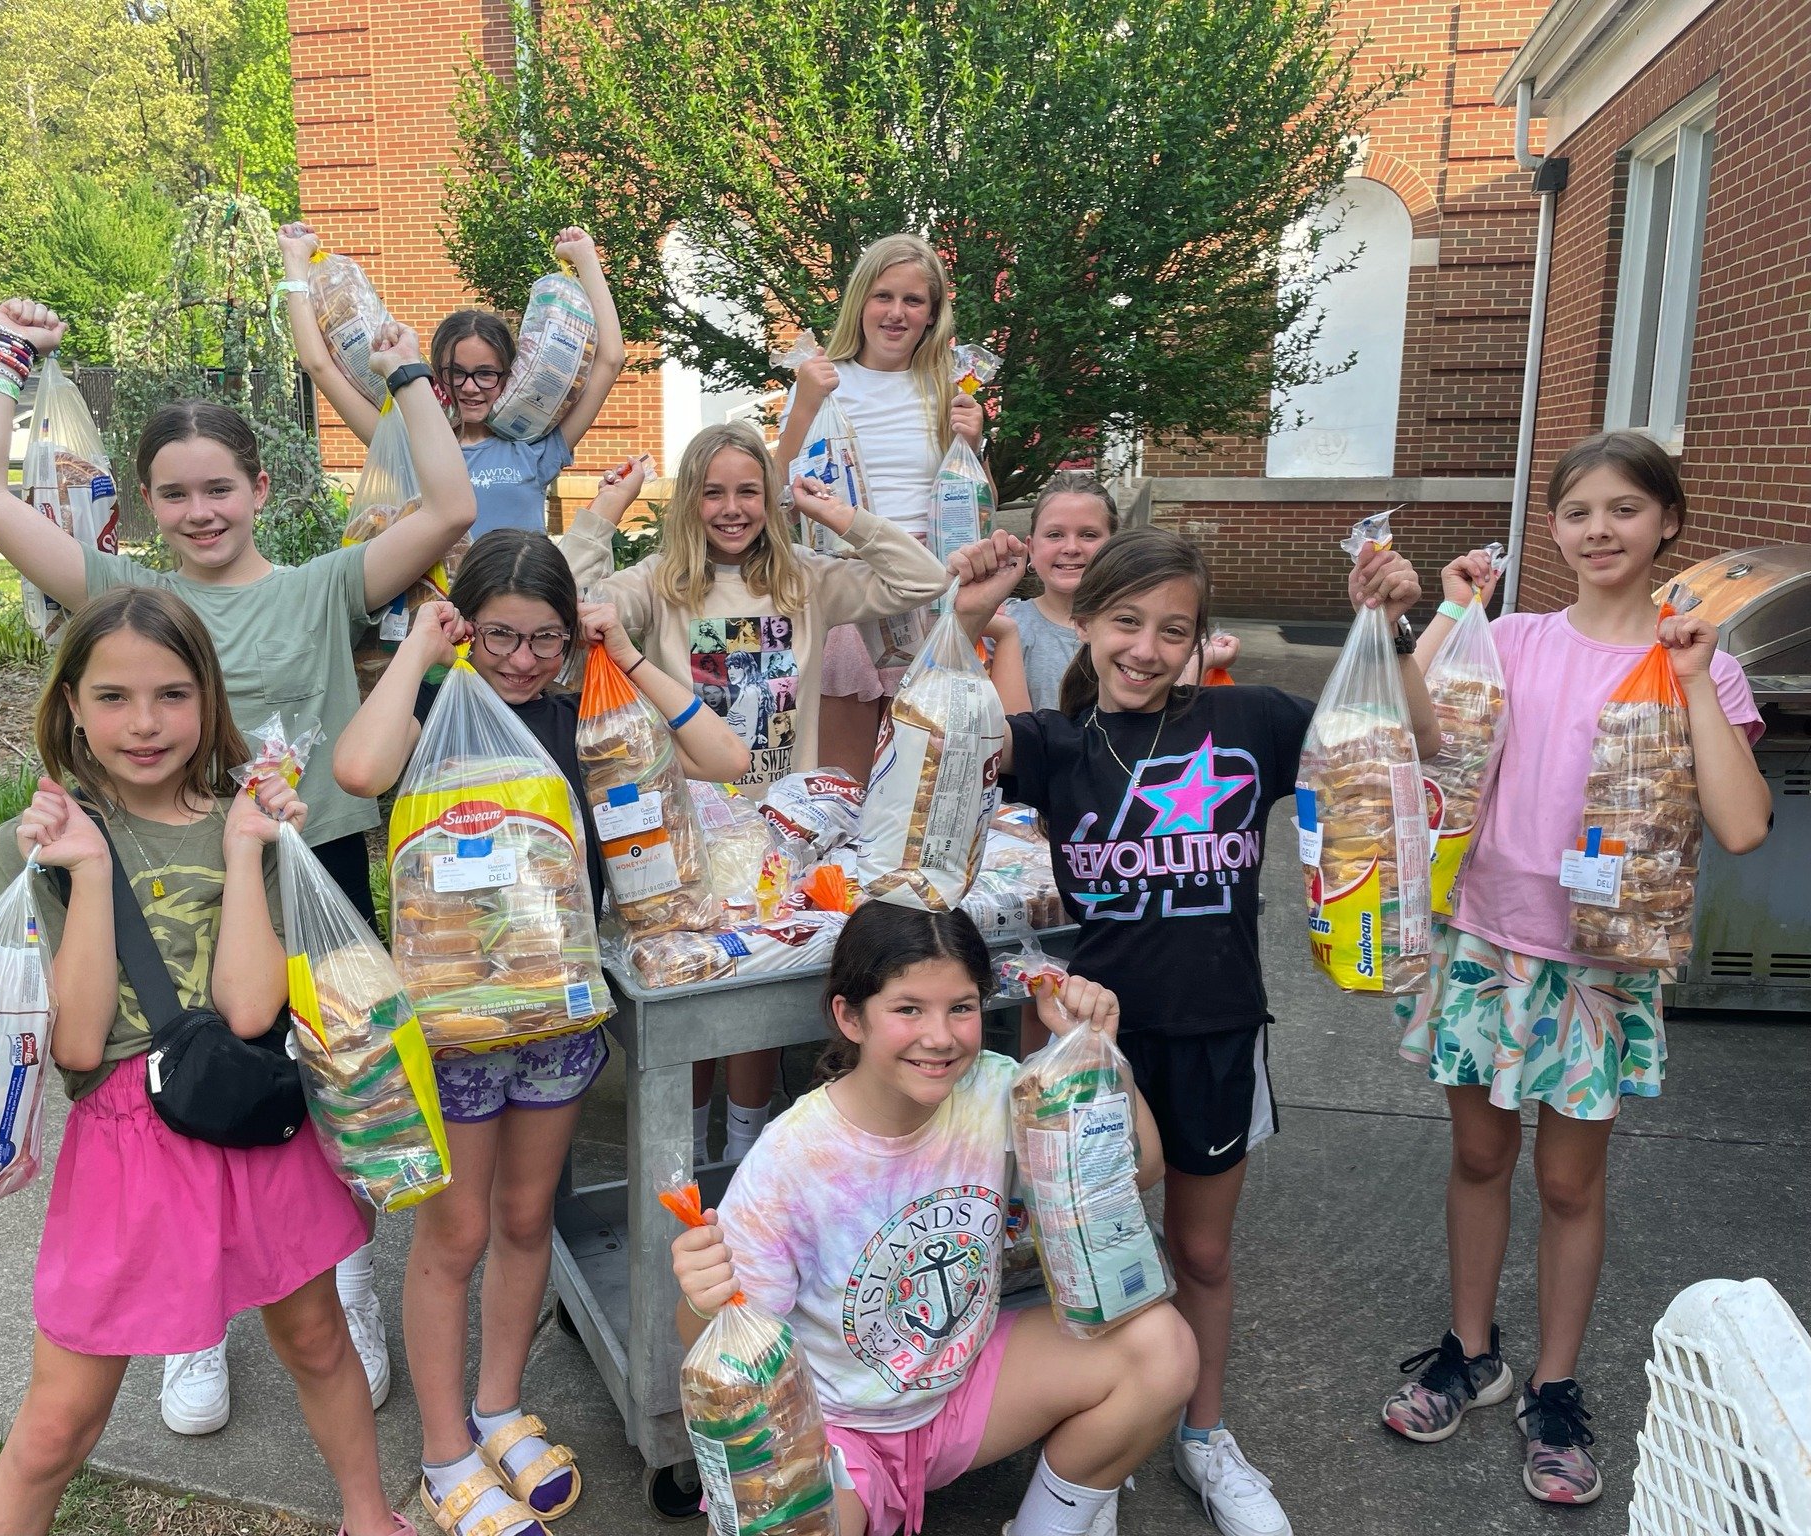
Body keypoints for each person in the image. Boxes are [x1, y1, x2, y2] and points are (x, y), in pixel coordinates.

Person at [0, 296, 473, 1437]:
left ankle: (341, 1282)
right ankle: (195, 1323)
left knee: (324, 1089)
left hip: (307, 875)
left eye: (217, 488)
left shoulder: (324, 586)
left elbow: (450, 506)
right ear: (145, 507)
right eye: (173, 493)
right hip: (150, 886)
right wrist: (5, 359)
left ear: (259, 491)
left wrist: (406, 375)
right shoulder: (128, 602)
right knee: (177, 1084)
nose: (197, 511)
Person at [952, 525, 1438, 1536]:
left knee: (1202, 1256)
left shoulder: (1246, 721)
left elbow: (1403, 744)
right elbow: (947, 743)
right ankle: (1105, 1432)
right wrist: (964, 617)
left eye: (1172, 630)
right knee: (1084, 1251)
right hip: (1095, 1052)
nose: (1144, 647)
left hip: (1219, 1032)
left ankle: (1203, 1435)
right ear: (1081, 621)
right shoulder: (1048, 742)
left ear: (1197, 640)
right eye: (1124, 622)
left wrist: (1385, 631)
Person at [330, 533, 748, 1536]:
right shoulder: (427, 717)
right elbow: (355, 770)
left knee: (526, 1220)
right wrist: (421, 659)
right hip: (456, 1028)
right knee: (454, 1231)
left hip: (556, 1024)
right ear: (465, 629)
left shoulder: (584, 716)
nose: (521, 661)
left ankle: (499, 1407)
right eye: (500, 638)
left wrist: (626, 655)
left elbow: (725, 760)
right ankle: (443, 1454)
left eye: (544, 640)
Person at [0, 589, 406, 1536]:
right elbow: (79, 1045)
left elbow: (251, 1009)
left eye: (172, 694)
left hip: (254, 1125)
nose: (146, 723)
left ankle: (370, 1517)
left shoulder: (252, 822)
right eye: (115, 696)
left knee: (318, 1340)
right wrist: (87, 872)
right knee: (61, 1419)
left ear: (208, 697)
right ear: (71, 704)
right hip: (126, 1150)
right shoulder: (31, 849)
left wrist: (249, 848)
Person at [1384, 431, 1769, 1506]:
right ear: (1548, 528)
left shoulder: (1700, 661)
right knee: (1475, 1155)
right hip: (1486, 943)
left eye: (1623, 510)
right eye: (1576, 513)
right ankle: (1471, 1352)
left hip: (1601, 966)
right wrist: (1447, 616)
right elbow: (1407, 731)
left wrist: (1693, 677)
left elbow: (1740, 826)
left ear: (1665, 523)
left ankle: (1552, 1385)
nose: (1598, 531)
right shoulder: (1507, 637)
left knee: (1566, 1180)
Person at [670, 901, 1197, 1536]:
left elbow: (1138, 1169)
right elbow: (724, 1349)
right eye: (908, 1008)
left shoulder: (997, 1091)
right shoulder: (792, 1159)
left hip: (962, 1395)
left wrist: (1090, 1051)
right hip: (836, 1428)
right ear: (850, 1016)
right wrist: (703, 1301)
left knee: (1160, 1349)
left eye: (962, 1007)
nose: (941, 1037)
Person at [560, 420, 951, 1166]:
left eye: (749, 491)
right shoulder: (657, 583)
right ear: (688, 503)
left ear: (771, 502)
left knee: (755, 1004)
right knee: (694, 998)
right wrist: (602, 513)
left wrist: (836, 515)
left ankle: (741, 1154)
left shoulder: (805, 578)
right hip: (685, 836)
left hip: (783, 831)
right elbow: (568, 599)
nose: (732, 508)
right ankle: (690, 1154)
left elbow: (921, 580)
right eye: (713, 492)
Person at [772, 233, 988, 780]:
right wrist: (804, 409)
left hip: (928, 579)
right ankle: (839, 864)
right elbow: (775, 494)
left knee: (921, 762)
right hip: (843, 575)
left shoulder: (948, 388)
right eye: (883, 296)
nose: (896, 313)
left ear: (932, 313)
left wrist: (976, 446)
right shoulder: (821, 380)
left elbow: (975, 507)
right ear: (860, 301)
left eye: (913, 301)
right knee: (842, 770)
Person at [280, 223, 624, 541]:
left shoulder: (534, 448)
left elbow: (611, 360)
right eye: (456, 373)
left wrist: (585, 258)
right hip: (440, 609)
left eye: (486, 373)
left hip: (523, 604)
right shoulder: (412, 444)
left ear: (509, 375)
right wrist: (295, 264)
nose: (470, 387)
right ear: (436, 375)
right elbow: (318, 365)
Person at [982, 471, 1239, 714]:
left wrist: (1198, 660)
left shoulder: (1153, 630)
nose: (1071, 547)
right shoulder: (999, 622)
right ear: (1032, 548)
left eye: (1088, 534)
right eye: (1055, 534)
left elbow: (1164, 729)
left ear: (1114, 546)